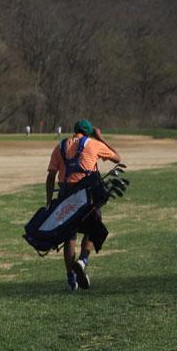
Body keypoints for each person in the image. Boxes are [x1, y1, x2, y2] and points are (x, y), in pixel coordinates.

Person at [45, 120, 120, 291]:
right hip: (87, 195)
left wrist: (49, 201)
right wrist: (100, 137)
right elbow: (117, 158)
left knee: (69, 236)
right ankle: (82, 260)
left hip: (65, 194)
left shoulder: (60, 146)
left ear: (75, 131)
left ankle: (71, 280)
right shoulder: (94, 144)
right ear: (88, 133)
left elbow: (51, 176)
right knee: (93, 229)